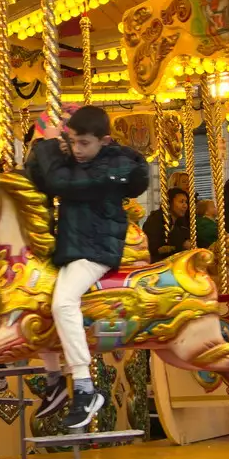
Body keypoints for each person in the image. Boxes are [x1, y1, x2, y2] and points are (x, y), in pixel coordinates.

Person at [24, 104, 149, 431]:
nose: (77, 150)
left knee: (62, 301)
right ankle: (54, 380)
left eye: (84, 144)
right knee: (35, 300)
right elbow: (39, 179)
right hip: (73, 247)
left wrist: (49, 145)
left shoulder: (109, 168)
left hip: (94, 250)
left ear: (104, 141)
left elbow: (61, 183)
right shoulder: (84, 161)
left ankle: (83, 387)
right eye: (73, 143)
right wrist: (39, 148)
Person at [144, 187, 195, 262]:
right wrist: (181, 244)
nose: (185, 206)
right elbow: (154, 246)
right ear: (169, 203)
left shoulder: (181, 222)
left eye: (186, 202)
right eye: (181, 202)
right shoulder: (156, 219)